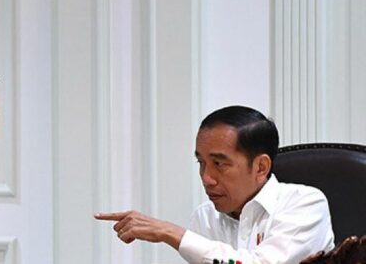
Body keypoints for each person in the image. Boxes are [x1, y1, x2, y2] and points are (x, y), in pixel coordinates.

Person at [95, 105, 334, 264]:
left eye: (219, 164)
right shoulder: (205, 218)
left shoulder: (305, 204)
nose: (206, 177)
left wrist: (171, 233)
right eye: (201, 163)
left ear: (260, 167)